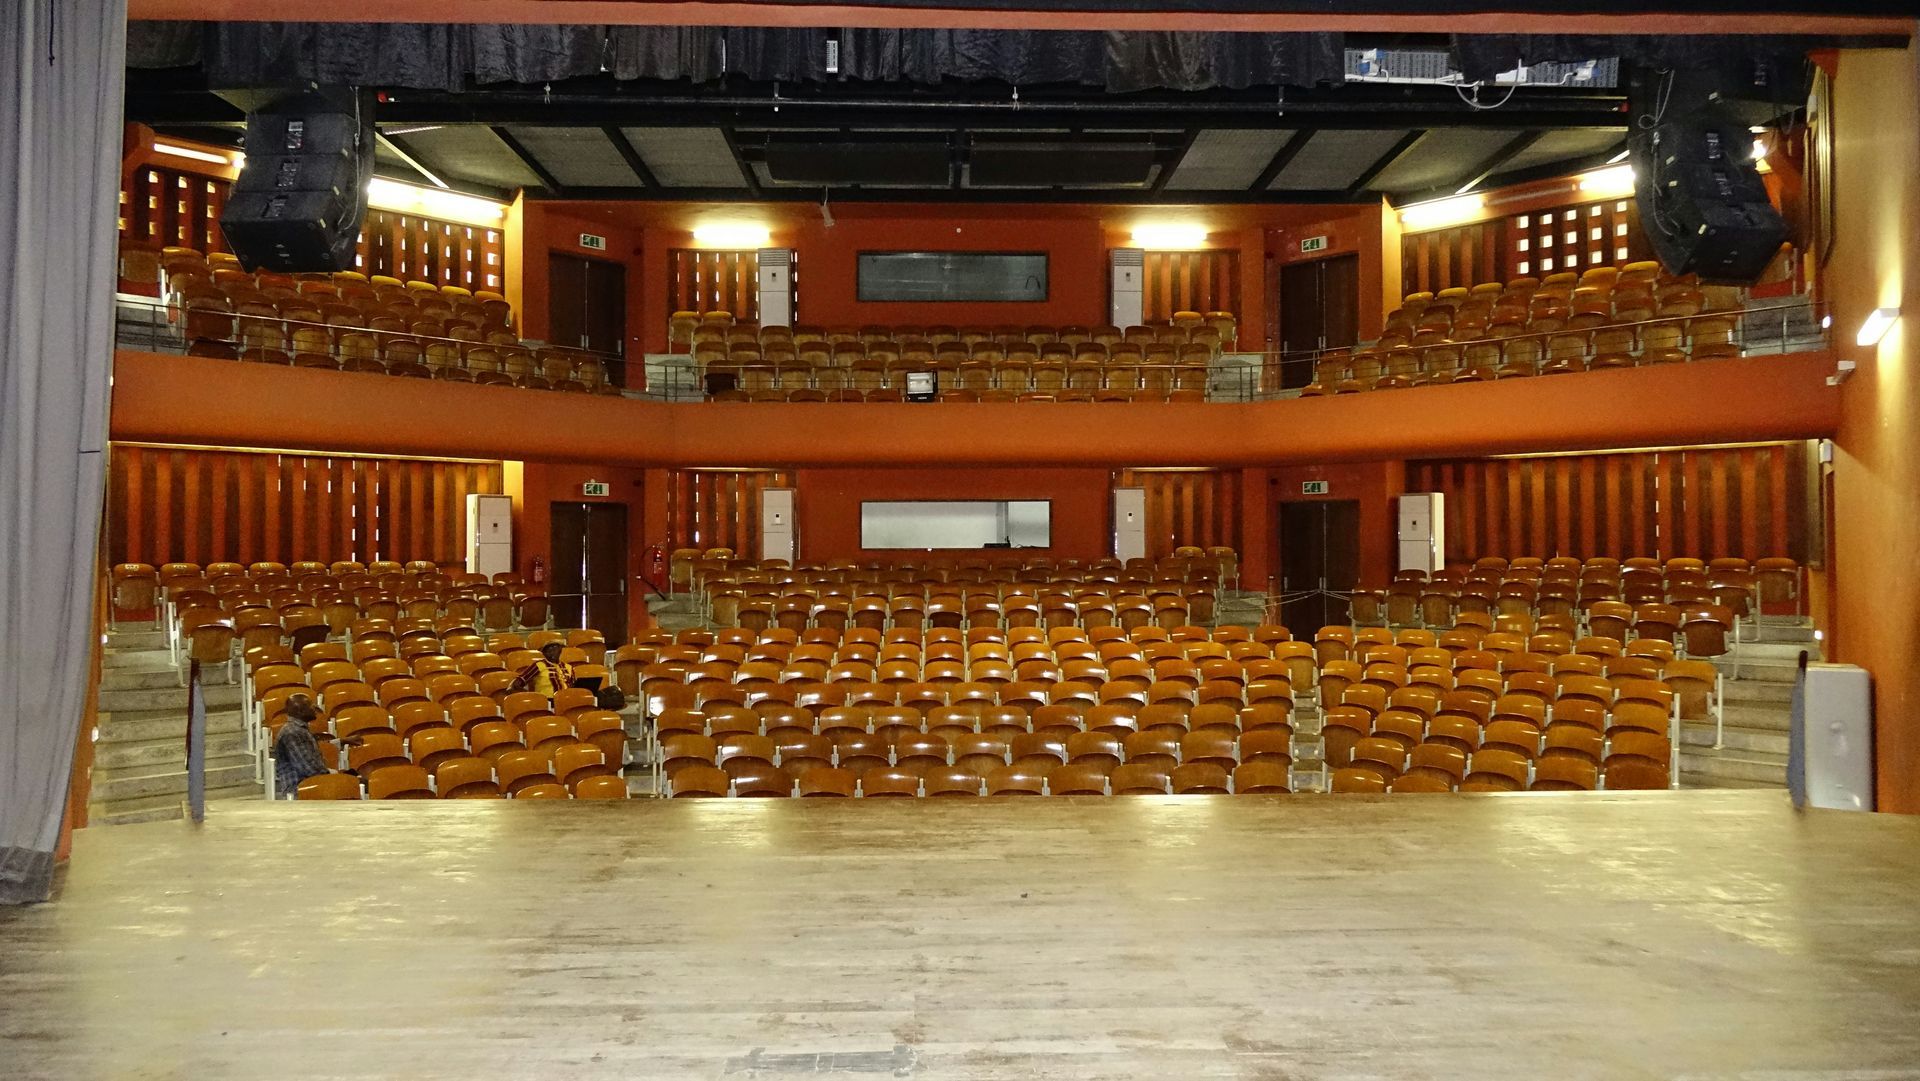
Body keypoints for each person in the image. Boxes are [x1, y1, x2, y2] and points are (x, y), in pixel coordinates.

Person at [273, 693, 332, 798]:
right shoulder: (292, 732)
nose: (315, 707)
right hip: (299, 789)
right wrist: (334, 775)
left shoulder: (299, 730)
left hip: (312, 783)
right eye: (310, 705)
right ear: (300, 711)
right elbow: (308, 768)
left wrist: (341, 741)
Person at [509, 641, 574, 699]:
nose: (552, 652)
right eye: (548, 650)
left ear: (560, 650)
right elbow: (516, 683)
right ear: (544, 654)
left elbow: (573, 686)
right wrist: (532, 696)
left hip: (567, 699)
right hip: (547, 700)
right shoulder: (538, 665)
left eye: (555, 648)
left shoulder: (568, 667)